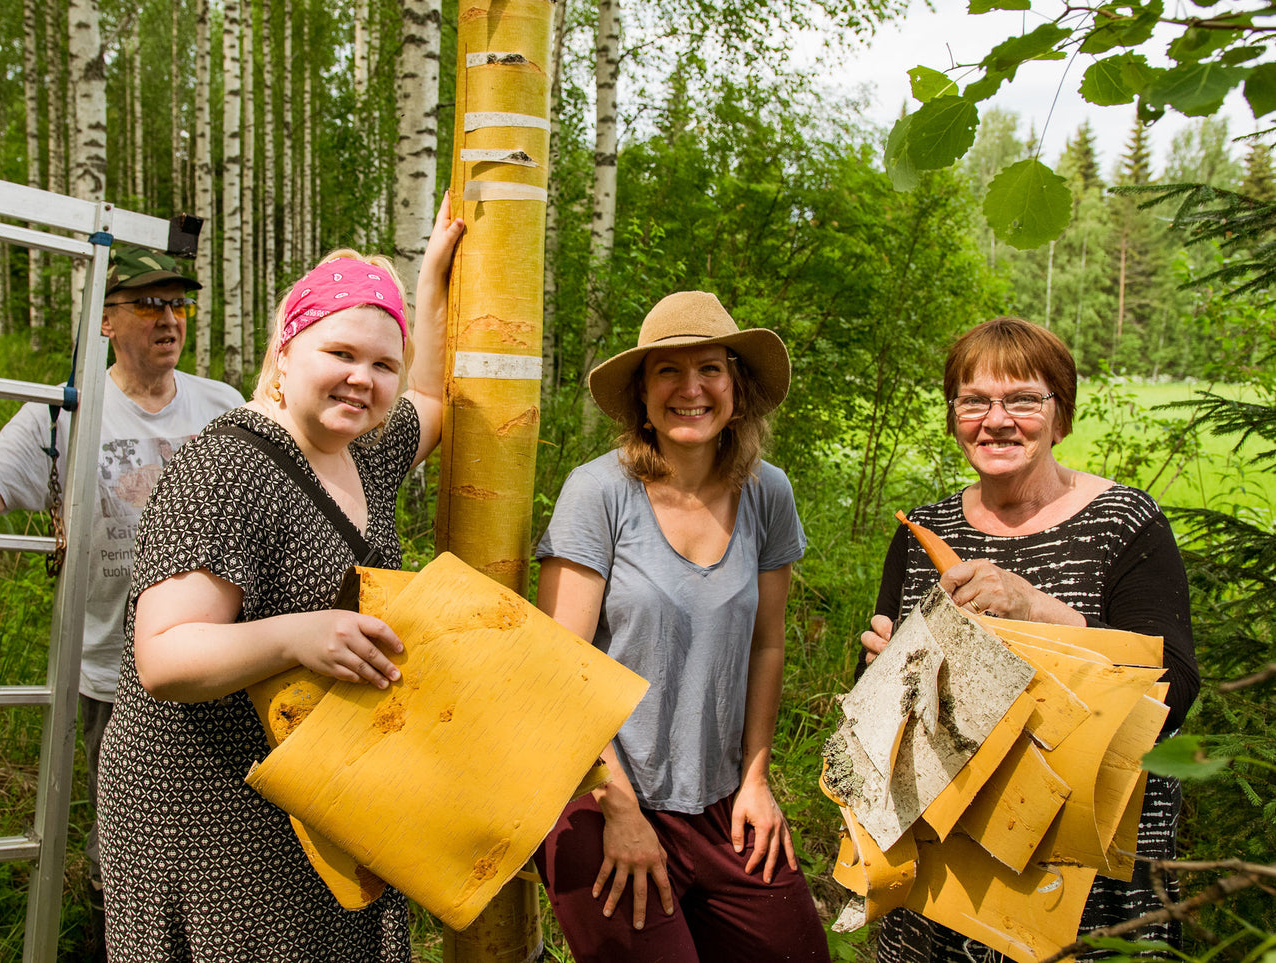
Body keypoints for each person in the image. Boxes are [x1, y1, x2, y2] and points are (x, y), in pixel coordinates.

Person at [95, 197, 463, 961]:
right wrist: (301, 634)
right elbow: (165, 655)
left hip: (315, 798)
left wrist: (429, 281)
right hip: (208, 814)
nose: (361, 379)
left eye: (380, 363)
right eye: (340, 353)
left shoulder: (362, 450)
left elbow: (431, 400)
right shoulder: (229, 464)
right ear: (286, 349)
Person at [0, 246, 243, 945]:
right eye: (149, 304)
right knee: (120, 836)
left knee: (222, 833)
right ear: (108, 321)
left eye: (178, 304)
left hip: (219, 660)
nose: (169, 319)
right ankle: (118, 937)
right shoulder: (62, 415)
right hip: (112, 669)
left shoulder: (224, 407)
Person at [859, 316, 1201, 961]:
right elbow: (881, 695)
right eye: (974, 401)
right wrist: (884, 669)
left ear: (1060, 415)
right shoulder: (920, 529)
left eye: (1022, 399)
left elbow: (1173, 688)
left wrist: (1037, 608)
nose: (997, 420)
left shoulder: (1123, 523)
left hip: (1084, 854)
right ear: (954, 414)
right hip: (951, 842)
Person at [533, 291, 831, 963]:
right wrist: (621, 809)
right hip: (598, 793)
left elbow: (767, 644)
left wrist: (755, 779)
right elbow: (558, 667)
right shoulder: (598, 492)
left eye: (710, 369)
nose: (689, 388)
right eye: (667, 370)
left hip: (722, 799)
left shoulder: (767, 492)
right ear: (642, 393)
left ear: (737, 388)